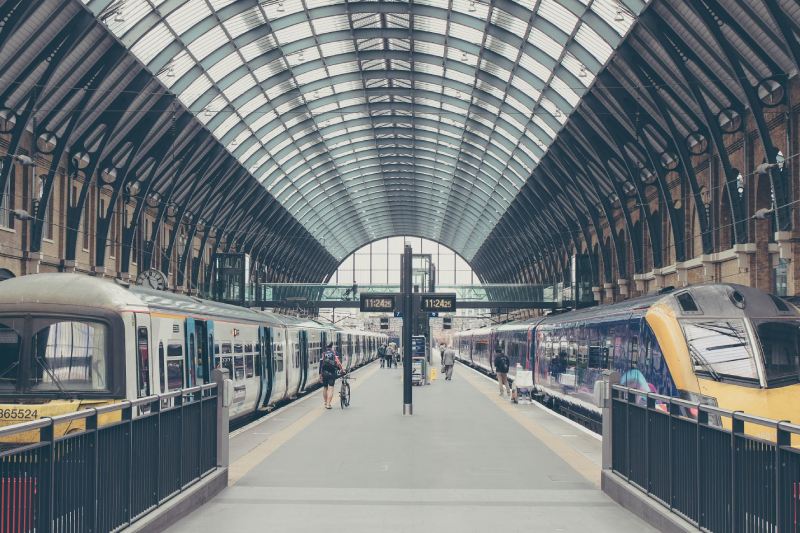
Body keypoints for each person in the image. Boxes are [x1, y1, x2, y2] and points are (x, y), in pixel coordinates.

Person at [319, 343, 343, 409]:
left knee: (325, 387)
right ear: (332, 347)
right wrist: (342, 370)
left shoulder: (323, 354)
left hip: (324, 372)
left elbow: (321, 365)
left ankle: (325, 402)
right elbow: (338, 363)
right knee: (331, 388)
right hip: (332, 372)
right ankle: (328, 404)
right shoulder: (335, 353)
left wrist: (320, 375)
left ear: (326, 347)